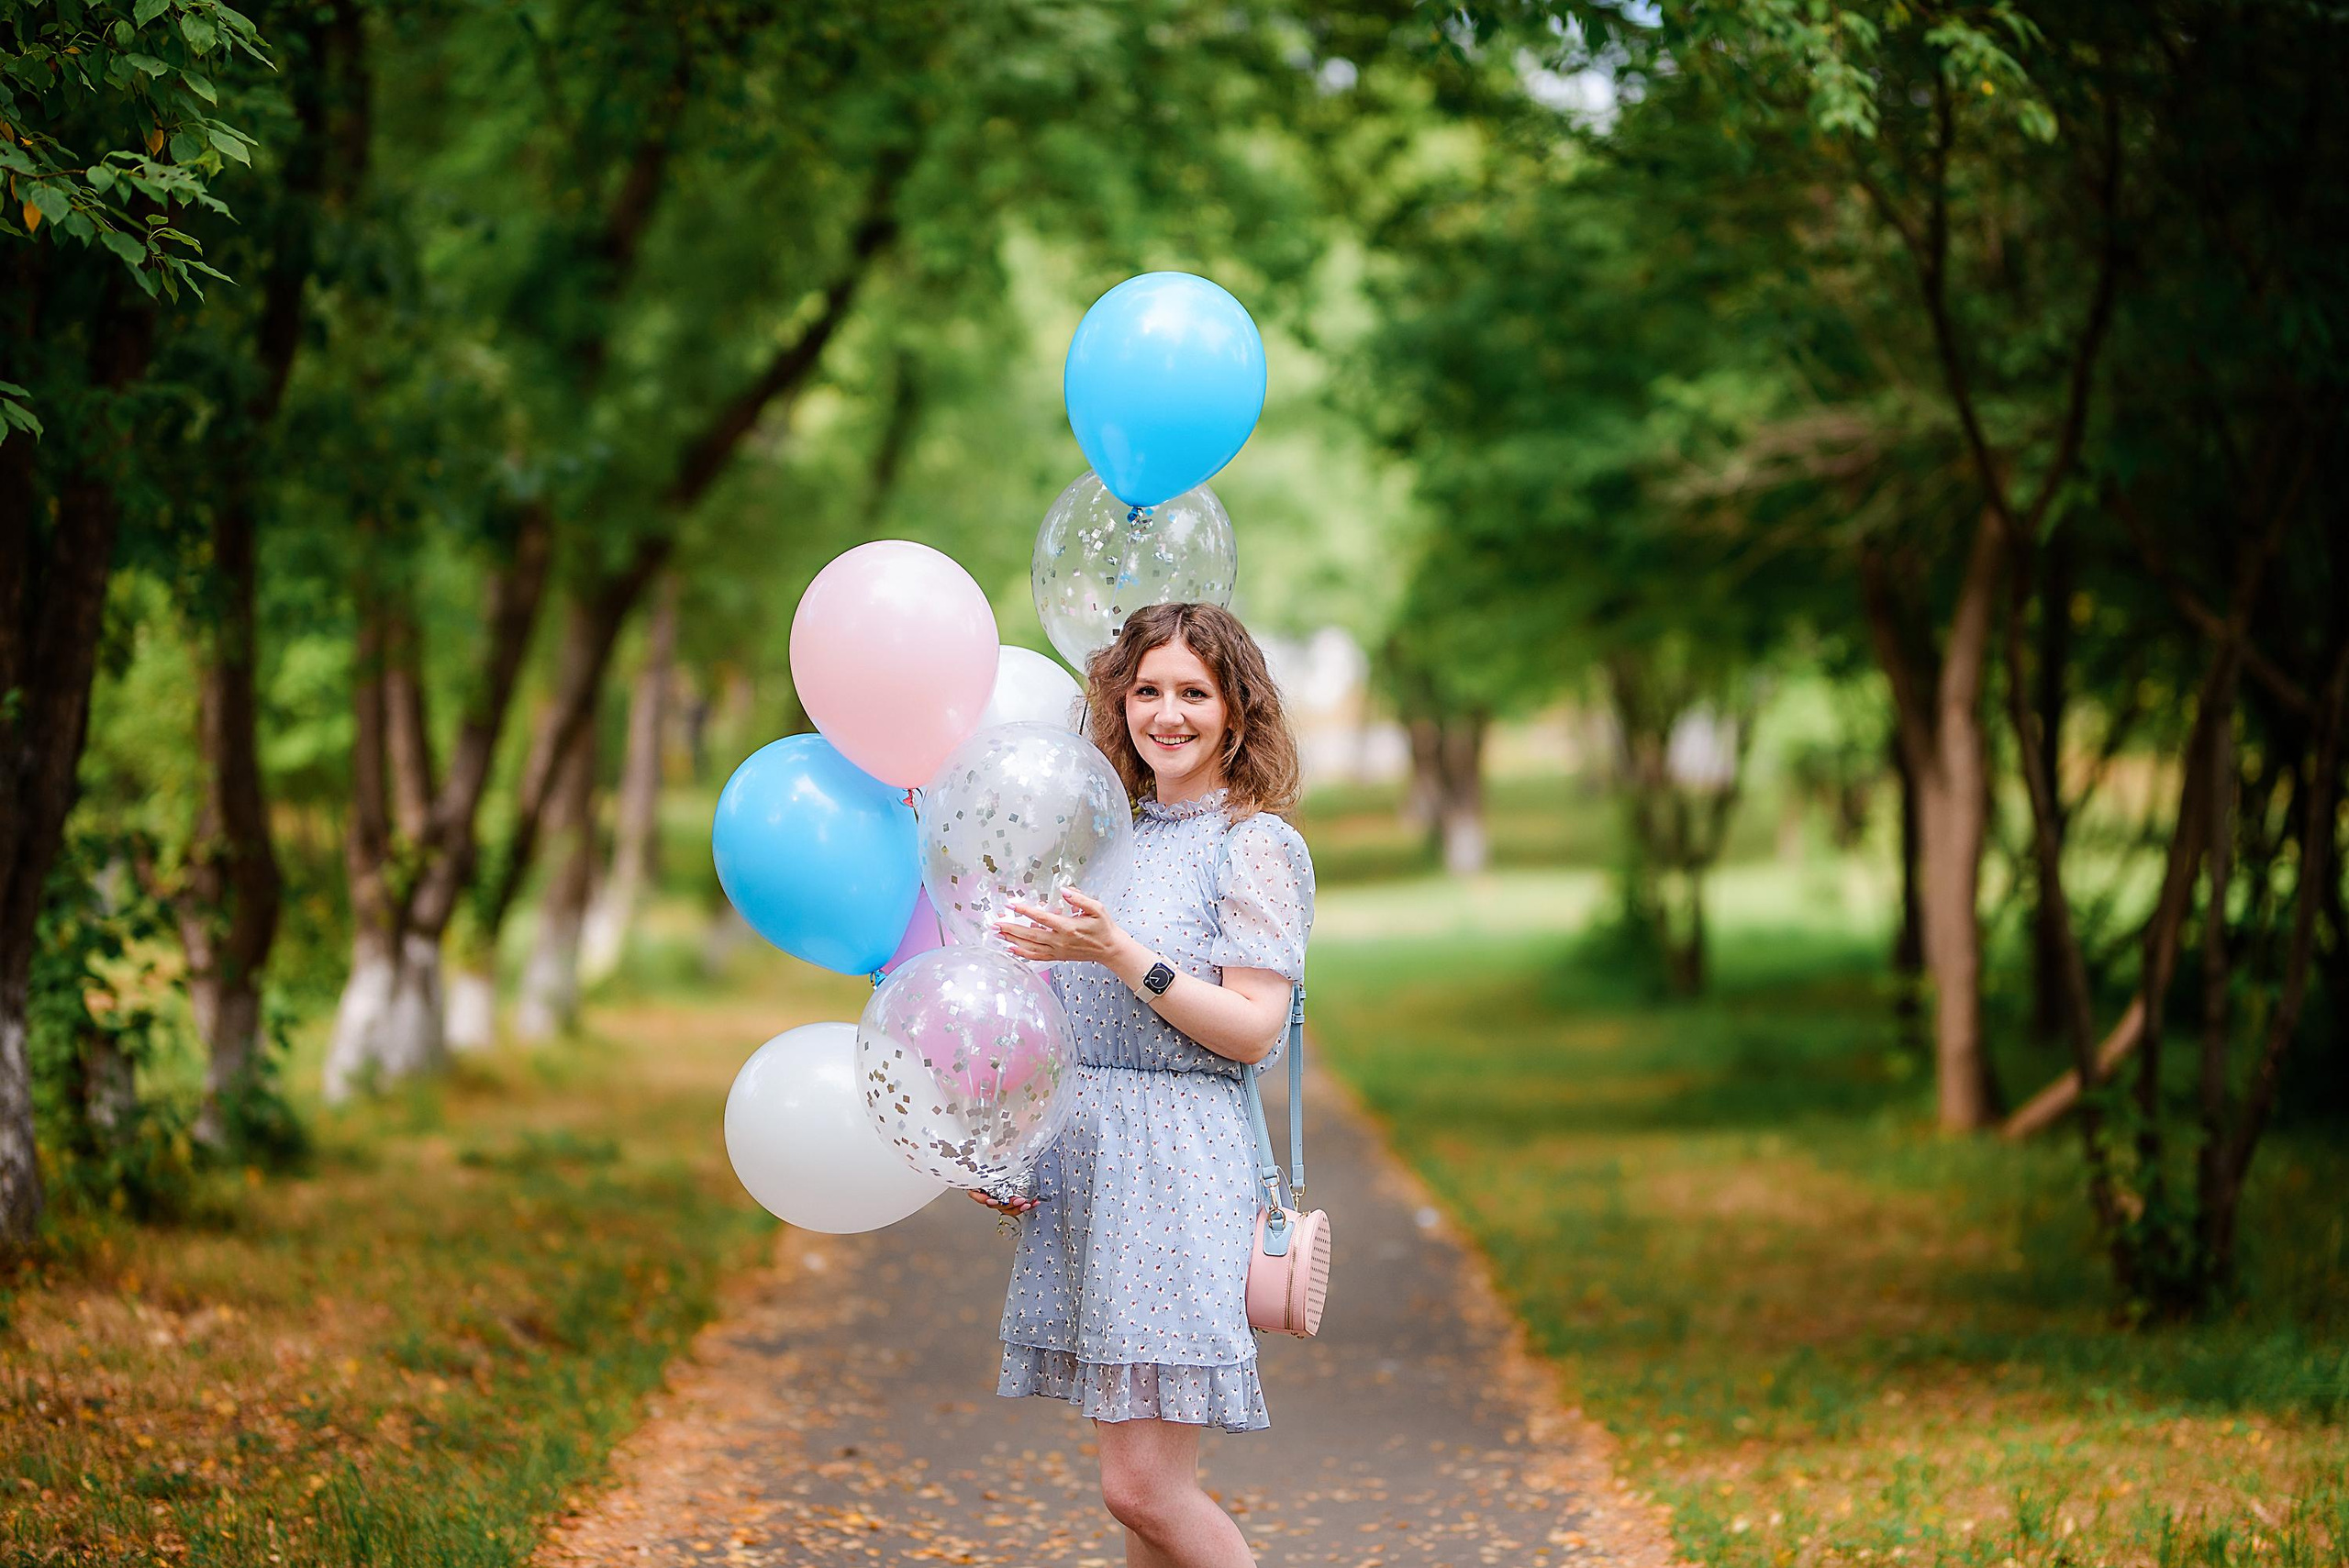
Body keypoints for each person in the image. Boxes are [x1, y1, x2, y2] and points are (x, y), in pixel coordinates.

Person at [977, 600, 1316, 1568]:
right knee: (1142, 1507)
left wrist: (1123, 951)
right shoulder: (1109, 835)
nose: (1167, 712)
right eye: (1147, 690)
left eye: (1194, 692)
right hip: (1093, 1163)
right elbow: (1063, 1018)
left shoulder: (1250, 845)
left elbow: (1253, 1031)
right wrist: (1013, 1139)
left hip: (1178, 1169)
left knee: (1142, 1485)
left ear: (1238, 713)